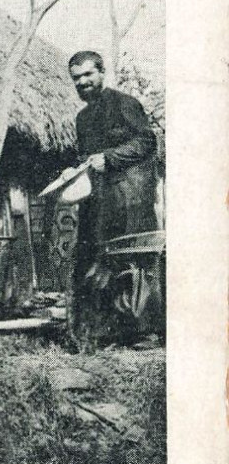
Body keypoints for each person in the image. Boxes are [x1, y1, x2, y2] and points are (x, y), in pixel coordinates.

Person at [68, 51, 158, 340]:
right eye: (77, 78)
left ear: (101, 73)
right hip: (101, 200)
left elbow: (146, 140)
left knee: (135, 259)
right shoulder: (82, 118)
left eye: (88, 75)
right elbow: (87, 156)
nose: (83, 82)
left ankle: (146, 331)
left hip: (131, 198)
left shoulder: (124, 103)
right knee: (102, 259)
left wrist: (109, 157)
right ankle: (112, 330)